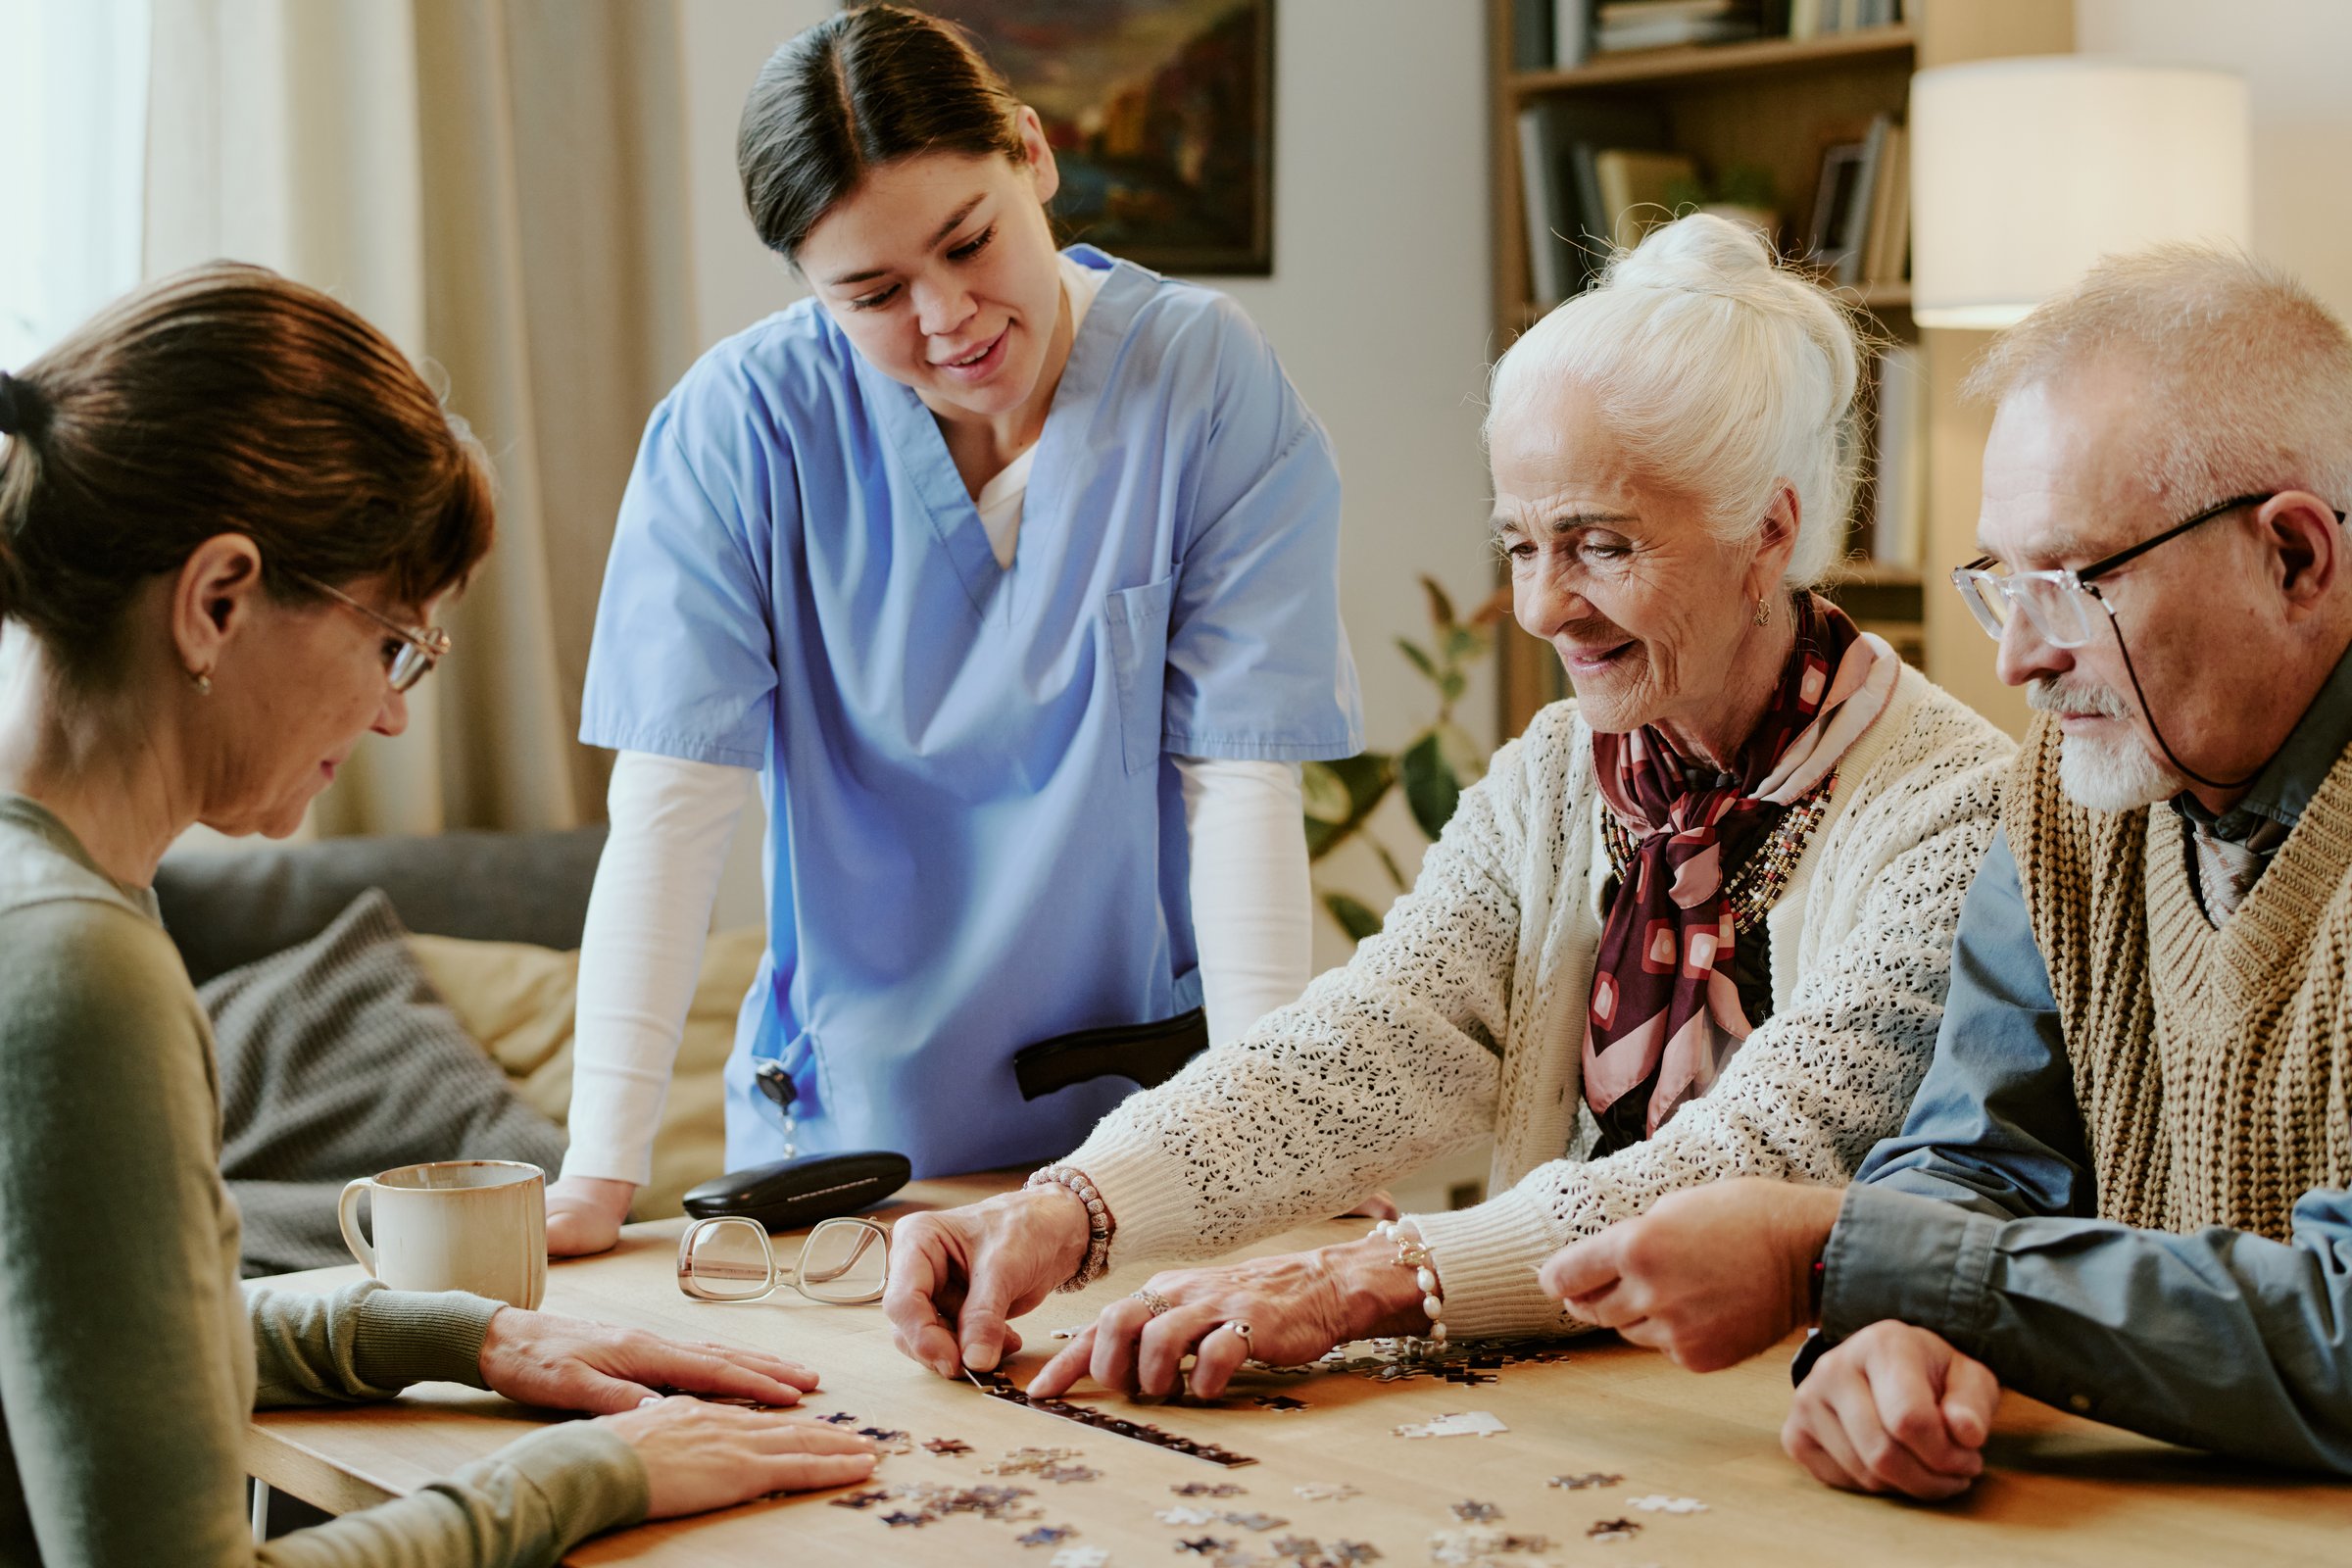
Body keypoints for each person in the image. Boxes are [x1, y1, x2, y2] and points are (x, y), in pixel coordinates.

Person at [880, 214, 2015, 1396]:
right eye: (1519, 544)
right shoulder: (1554, 775)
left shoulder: (1949, 811)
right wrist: (1070, 1204)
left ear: (1768, 527)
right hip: (1579, 1398)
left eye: (1599, 545)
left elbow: (1751, 1161)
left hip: (1803, 1416)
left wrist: (1360, 1281)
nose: (1540, 607)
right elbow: (1375, 1035)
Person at [0, 264, 875, 1567]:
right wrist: (597, 1474)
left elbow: (106, 1344)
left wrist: (462, 1332)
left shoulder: (49, 904)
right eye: (391, 640)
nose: (396, 709)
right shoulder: (81, 971)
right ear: (219, 598)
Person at [1537, 244, 2352, 1498]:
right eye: (2000, 583)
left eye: (2075, 582)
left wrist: (1843, 1258)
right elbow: (1968, 1159)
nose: (2017, 658)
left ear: (2294, 559)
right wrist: (1888, 1341)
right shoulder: (2070, 794)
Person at [545, 3, 1360, 1254]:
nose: (947, 320)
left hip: (1137, 1140)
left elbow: (1241, 781)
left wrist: (1263, 1149)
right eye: (872, 295)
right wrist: (598, 1173)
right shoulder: (739, 431)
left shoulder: (1199, 382)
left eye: (970, 243)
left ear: (1032, 156)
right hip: (846, 1156)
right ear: (809, 290)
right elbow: (673, 804)